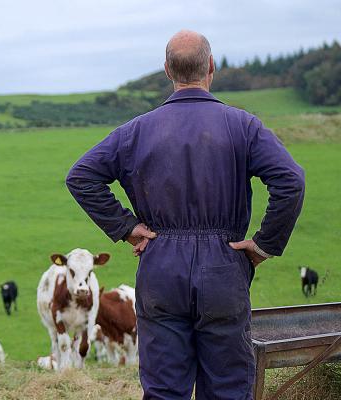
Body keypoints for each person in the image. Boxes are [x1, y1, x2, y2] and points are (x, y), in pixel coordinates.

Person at [65, 30, 305, 400]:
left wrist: (127, 228)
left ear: (167, 70)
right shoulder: (243, 126)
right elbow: (291, 180)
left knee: (164, 392)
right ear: (211, 66)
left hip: (160, 264)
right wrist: (263, 246)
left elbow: (81, 176)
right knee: (227, 390)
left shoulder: (136, 131)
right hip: (225, 264)